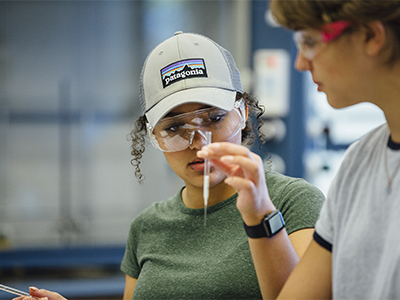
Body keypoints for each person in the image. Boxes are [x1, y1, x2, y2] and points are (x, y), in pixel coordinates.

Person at [14, 32, 324, 300]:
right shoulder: (147, 227)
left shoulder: (293, 203)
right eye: (174, 129)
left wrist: (260, 216)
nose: (199, 143)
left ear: (242, 113)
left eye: (214, 119)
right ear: (152, 135)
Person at [203, 1, 400, 299]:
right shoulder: (360, 162)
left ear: (371, 36)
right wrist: (258, 215)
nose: (300, 63)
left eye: (309, 42)